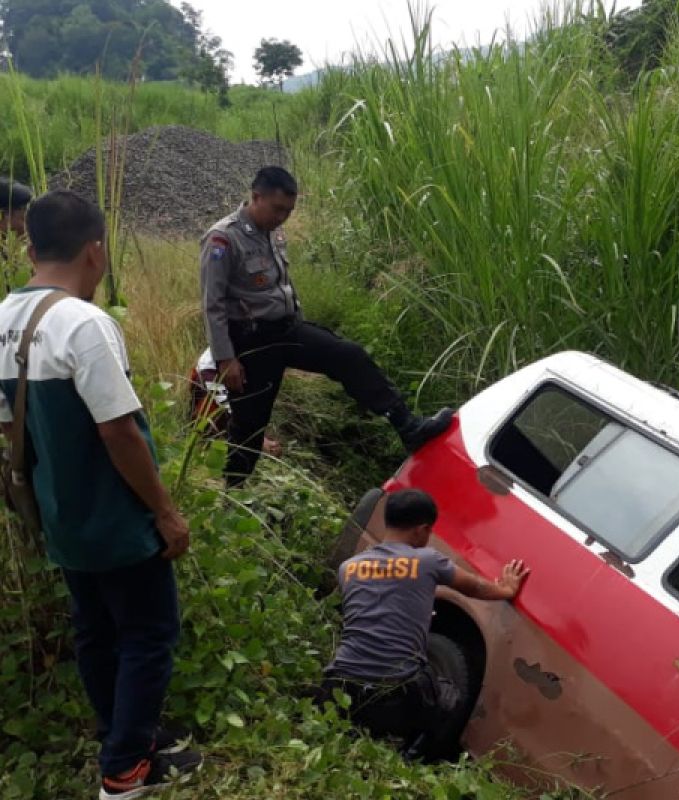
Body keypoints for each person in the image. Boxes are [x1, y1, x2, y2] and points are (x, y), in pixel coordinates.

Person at [0, 191, 201, 798]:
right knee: (148, 633)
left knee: (95, 630)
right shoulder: (85, 323)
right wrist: (165, 512)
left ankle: (125, 733)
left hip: (59, 515)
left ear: (31, 249)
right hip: (114, 516)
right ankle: (124, 770)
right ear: (96, 251)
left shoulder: (4, 317)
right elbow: (118, 430)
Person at [200, 167, 453, 486]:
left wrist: (301, 322)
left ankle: (408, 426)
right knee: (250, 427)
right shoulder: (223, 238)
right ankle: (232, 495)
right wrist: (225, 359)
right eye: (277, 209)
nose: (283, 217)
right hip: (252, 344)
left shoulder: (274, 233)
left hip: (287, 330)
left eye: (289, 211)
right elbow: (213, 304)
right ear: (256, 196)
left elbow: (282, 285)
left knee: (348, 355)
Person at [322, 489, 529, 756]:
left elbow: (377, 604)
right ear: (421, 530)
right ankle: (412, 757)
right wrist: (507, 589)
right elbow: (475, 587)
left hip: (338, 684)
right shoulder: (428, 561)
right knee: (449, 698)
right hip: (392, 695)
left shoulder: (348, 568)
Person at [187, 346, 281, 456]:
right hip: (212, 381)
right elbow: (228, 409)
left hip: (230, 373)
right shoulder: (208, 372)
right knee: (216, 419)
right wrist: (259, 442)